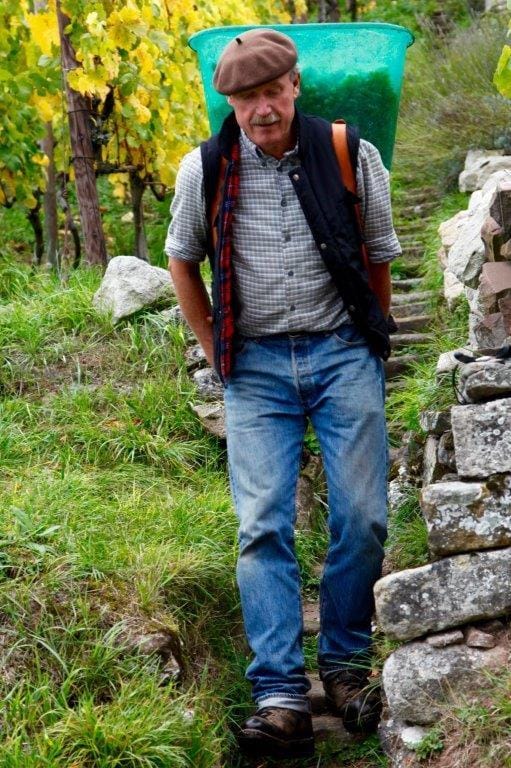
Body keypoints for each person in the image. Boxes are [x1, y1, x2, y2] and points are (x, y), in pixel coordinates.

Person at [165, 28, 401, 760]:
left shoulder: (350, 153)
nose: (261, 109)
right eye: (246, 98)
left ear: (295, 86)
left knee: (362, 515)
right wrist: (217, 351)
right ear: (229, 103)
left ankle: (345, 667)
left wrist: (371, 339)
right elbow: (181, 262)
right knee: (262, 524)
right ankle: (280, 696)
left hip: (341, 352)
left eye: (272, 92)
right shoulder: (205, 168)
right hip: (256, 367)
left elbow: (380, 253)